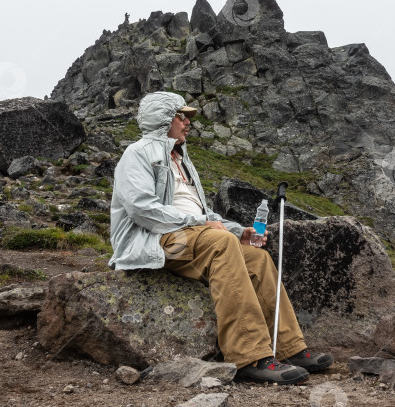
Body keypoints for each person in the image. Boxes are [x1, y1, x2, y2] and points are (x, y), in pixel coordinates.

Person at [109, 91, 333, 385]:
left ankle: (289, 347)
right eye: (181, 115)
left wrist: (239, 231)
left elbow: (203, 211)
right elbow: (141, 209)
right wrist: (203, 224)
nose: (188, 122)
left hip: (192, 234)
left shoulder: (181, 160)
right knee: (222, 244)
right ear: (163, 119)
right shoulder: (137, 154)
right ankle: (248, 357)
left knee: (257, 257)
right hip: (156, 239)